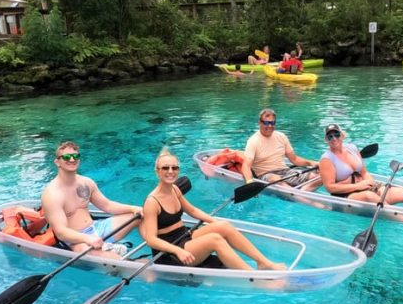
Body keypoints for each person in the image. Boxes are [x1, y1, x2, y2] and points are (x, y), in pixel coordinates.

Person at [140, 148, 285, 270]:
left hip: (184, 236)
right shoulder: (152, 202)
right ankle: (252, 276)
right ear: (157, 172)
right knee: (215, 239)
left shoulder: (175, 190)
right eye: (165, 168)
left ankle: (263, 262)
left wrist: (214, 222)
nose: (170, 171)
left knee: (224, 226)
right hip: (169, 253)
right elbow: (151, 239)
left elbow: (193, 211)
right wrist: (177, 250)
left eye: (174, 168)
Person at [41, 141, 142, 258]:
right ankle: (120, 259)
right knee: (115, 259)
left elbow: (107, 205)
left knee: (141, 215)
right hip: (76, 240)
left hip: (96, 228)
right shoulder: (52, 194)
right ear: (57, 162)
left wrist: (133, 208)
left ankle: (161, 251)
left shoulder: (86, 182)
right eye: (66, 157)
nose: (72, 160)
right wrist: (88, 239)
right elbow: (61, 232)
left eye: (76, 156)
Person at [241, 108, 320, 191]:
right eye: (266, 123)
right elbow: (246, 166)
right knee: (275, 179)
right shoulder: (253, 141)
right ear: (259, 123)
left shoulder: (281, 136)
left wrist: (311, 162)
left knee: (319, 177)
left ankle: (302, 192)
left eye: (272, 123)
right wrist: (249, 182)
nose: (270, 126)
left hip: (285, 171)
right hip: (266, 175)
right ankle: (299, 195)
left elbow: (295, 159)